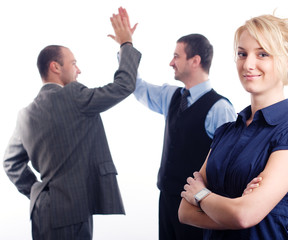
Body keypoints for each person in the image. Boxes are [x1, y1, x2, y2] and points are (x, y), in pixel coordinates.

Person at [3, 7, 141, 240]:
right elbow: (124, 86)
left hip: (42, 212)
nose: (79, 70)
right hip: (72, 211)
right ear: (55, 67)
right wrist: (126, 43)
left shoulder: (25, 114)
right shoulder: (75, 96)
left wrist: (38, 192)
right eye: (74, 63)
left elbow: (10, 163)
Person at [179, 14, 288, 240]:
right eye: (242, 54)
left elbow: (244, 215)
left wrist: (201, 195)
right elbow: (185, 212)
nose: (248, 64)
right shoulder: (225, 132)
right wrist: (234, 209)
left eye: (262, 54)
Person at [113, 9, 236, 240]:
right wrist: (125, 47)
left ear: (195, 60)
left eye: (176, 56)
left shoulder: (220, 109)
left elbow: (231, 164)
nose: (171, 62)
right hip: (167, 200)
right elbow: (136, 86)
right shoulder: (171, 96)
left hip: (198, 206)